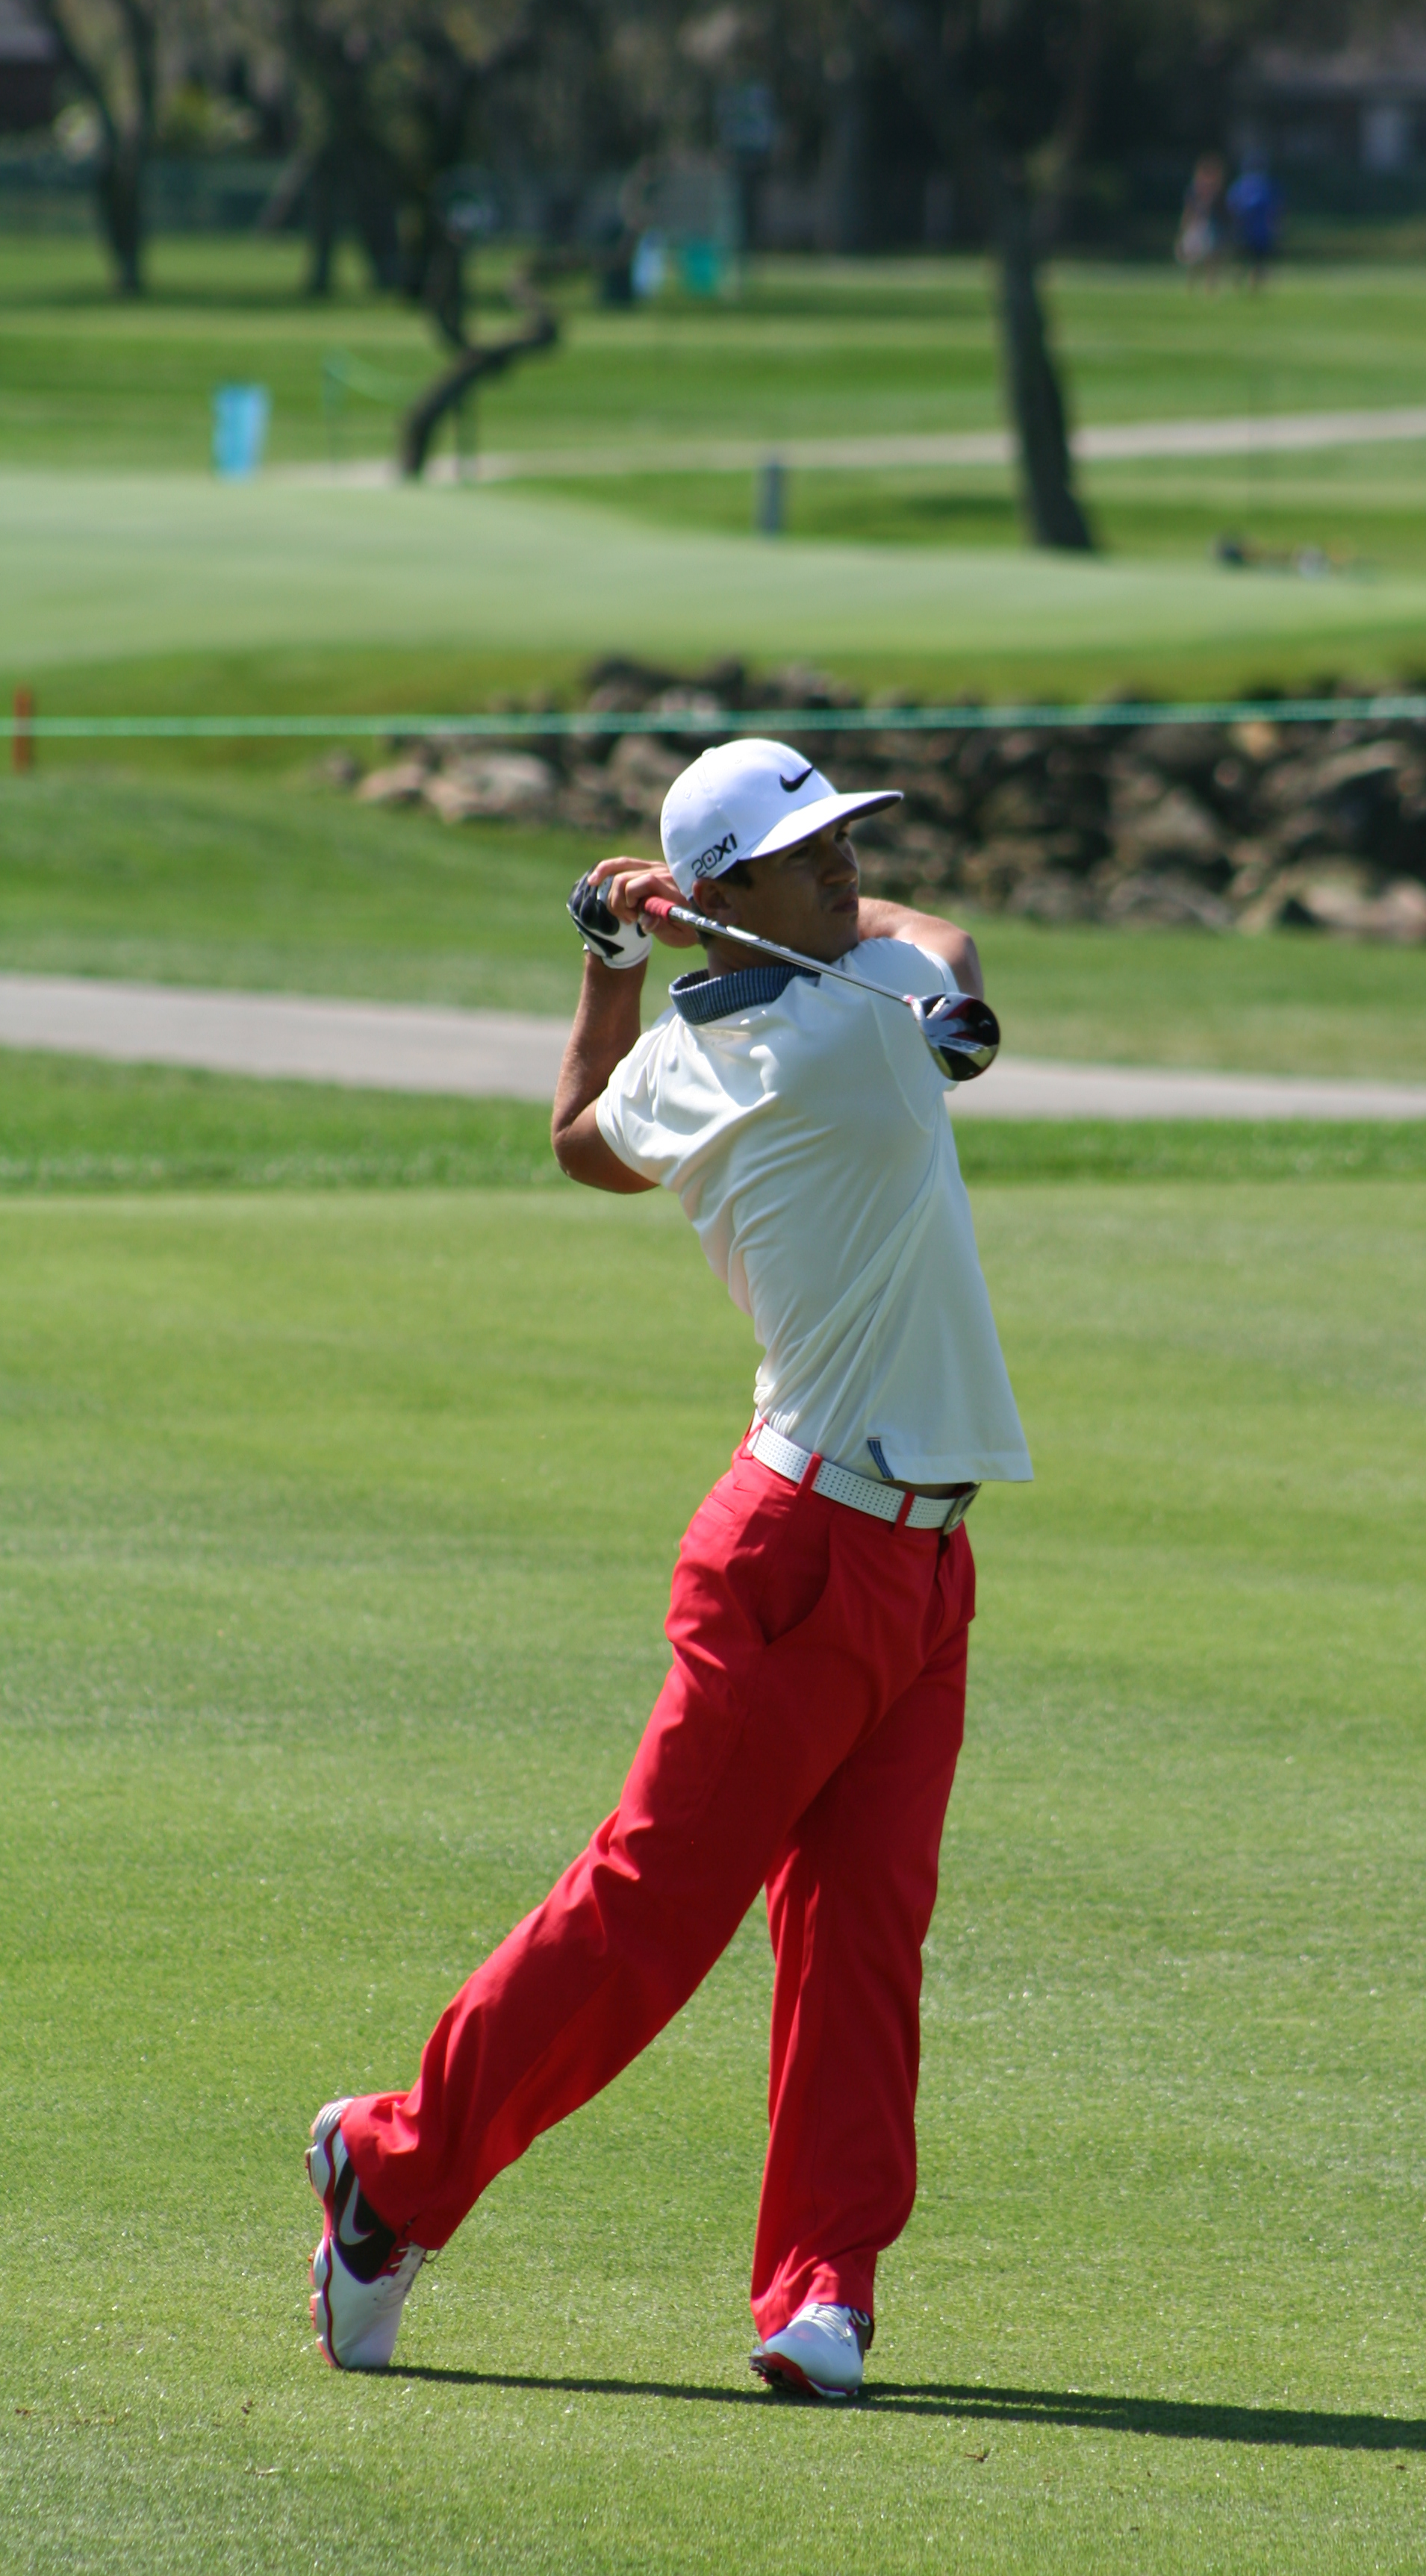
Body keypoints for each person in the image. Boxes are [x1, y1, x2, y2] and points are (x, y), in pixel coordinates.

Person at [305, 737, 1033, 2400]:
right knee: (649, 1916)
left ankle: (821, 2289)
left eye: (845, 841)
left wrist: (614, 962)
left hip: (914, 1557)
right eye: (806, 854)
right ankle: (388, 2170)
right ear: (729, 895)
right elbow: (946, 948)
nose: (844, 867)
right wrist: (721, 941)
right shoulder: (857, 1029)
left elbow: (579, 1133)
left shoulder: (706, 1050)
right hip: (806, 1553)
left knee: (862, 1935)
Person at [1227, 157, 1282, 290]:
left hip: (1256, 230)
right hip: (1251, 230)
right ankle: (1248, 283)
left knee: (1254, 259)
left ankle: (1251, 284)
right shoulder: (1261, 185)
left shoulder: (1252, 185)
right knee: (1251, 259)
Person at [1175, 152, 1226, 290]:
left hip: (1211, 225)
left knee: (1212, 256)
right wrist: (1183, 227)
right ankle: (1191, 284)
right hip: (1196, 225)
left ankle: (1210, 284)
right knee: (1194, 257)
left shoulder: (1216, 191)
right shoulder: (1194, 189)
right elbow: (1188, 210)